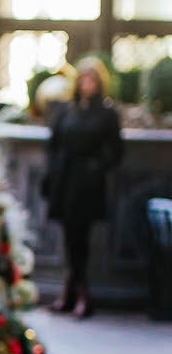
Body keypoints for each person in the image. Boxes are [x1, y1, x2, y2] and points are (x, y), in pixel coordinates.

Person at [42, 56, 123, 318]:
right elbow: (53, 144)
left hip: (87, 183)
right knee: (68, 236)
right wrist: (55, 170)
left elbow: (115, 151)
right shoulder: (66, 111)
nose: (86, 85)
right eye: (83, 80)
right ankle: (72, 290)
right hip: (65, 181)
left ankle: (79, 292)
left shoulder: (107, 113)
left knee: (81, 238)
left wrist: (96, 167)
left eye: (91, 80)